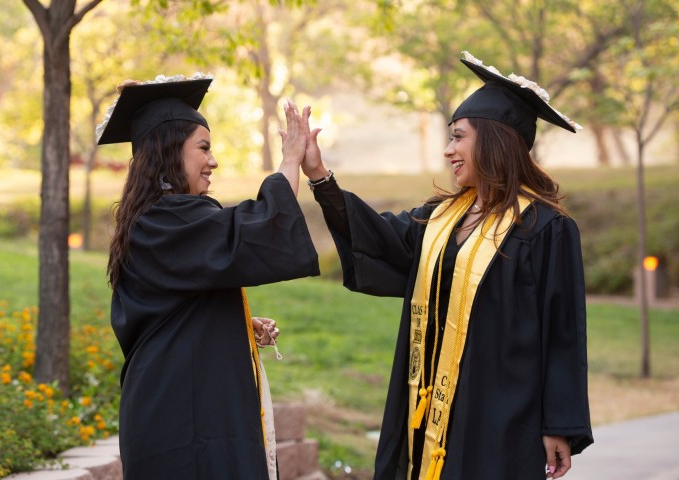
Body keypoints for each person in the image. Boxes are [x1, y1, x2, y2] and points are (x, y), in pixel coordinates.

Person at [300, 51, 593, 480]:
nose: (447, 150)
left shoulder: (546, 228)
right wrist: (320, 176)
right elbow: (376, 237)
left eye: (458, 137)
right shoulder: (439, 218)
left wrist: (558, 425)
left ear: (494, 140)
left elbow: (564, 330)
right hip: (428, 401)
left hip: (501, 410)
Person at [97, 73, 320, 479]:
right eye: (203, 148)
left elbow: (169, 307)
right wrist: (290, 162)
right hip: (180, 420)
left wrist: (232, 322)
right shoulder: (164, 221)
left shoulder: (160, 220)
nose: (213, 161)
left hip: (189, 408)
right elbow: (249, 233)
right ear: (168, 151)